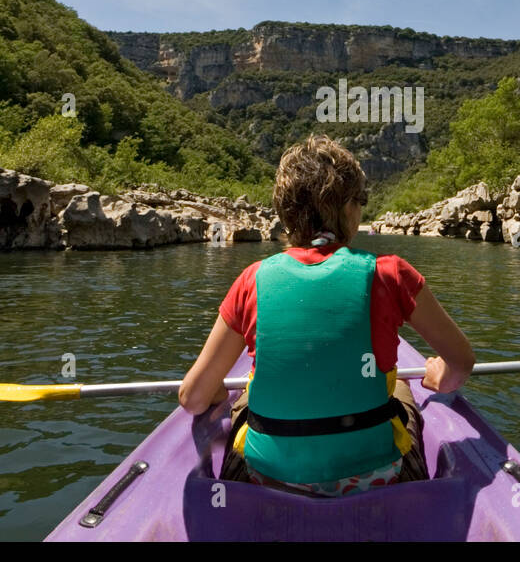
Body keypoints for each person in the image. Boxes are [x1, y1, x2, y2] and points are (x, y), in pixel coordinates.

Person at [178, 135, 475, 497]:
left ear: (285, 213)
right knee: (400, 385)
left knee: (244, 393)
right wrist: (438, 376)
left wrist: (214, 395)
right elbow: (460, 363)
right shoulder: (392, 273)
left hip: (268, 475)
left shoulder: (251, 280)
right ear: (350, 208)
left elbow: (192, 398)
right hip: (376, 474)